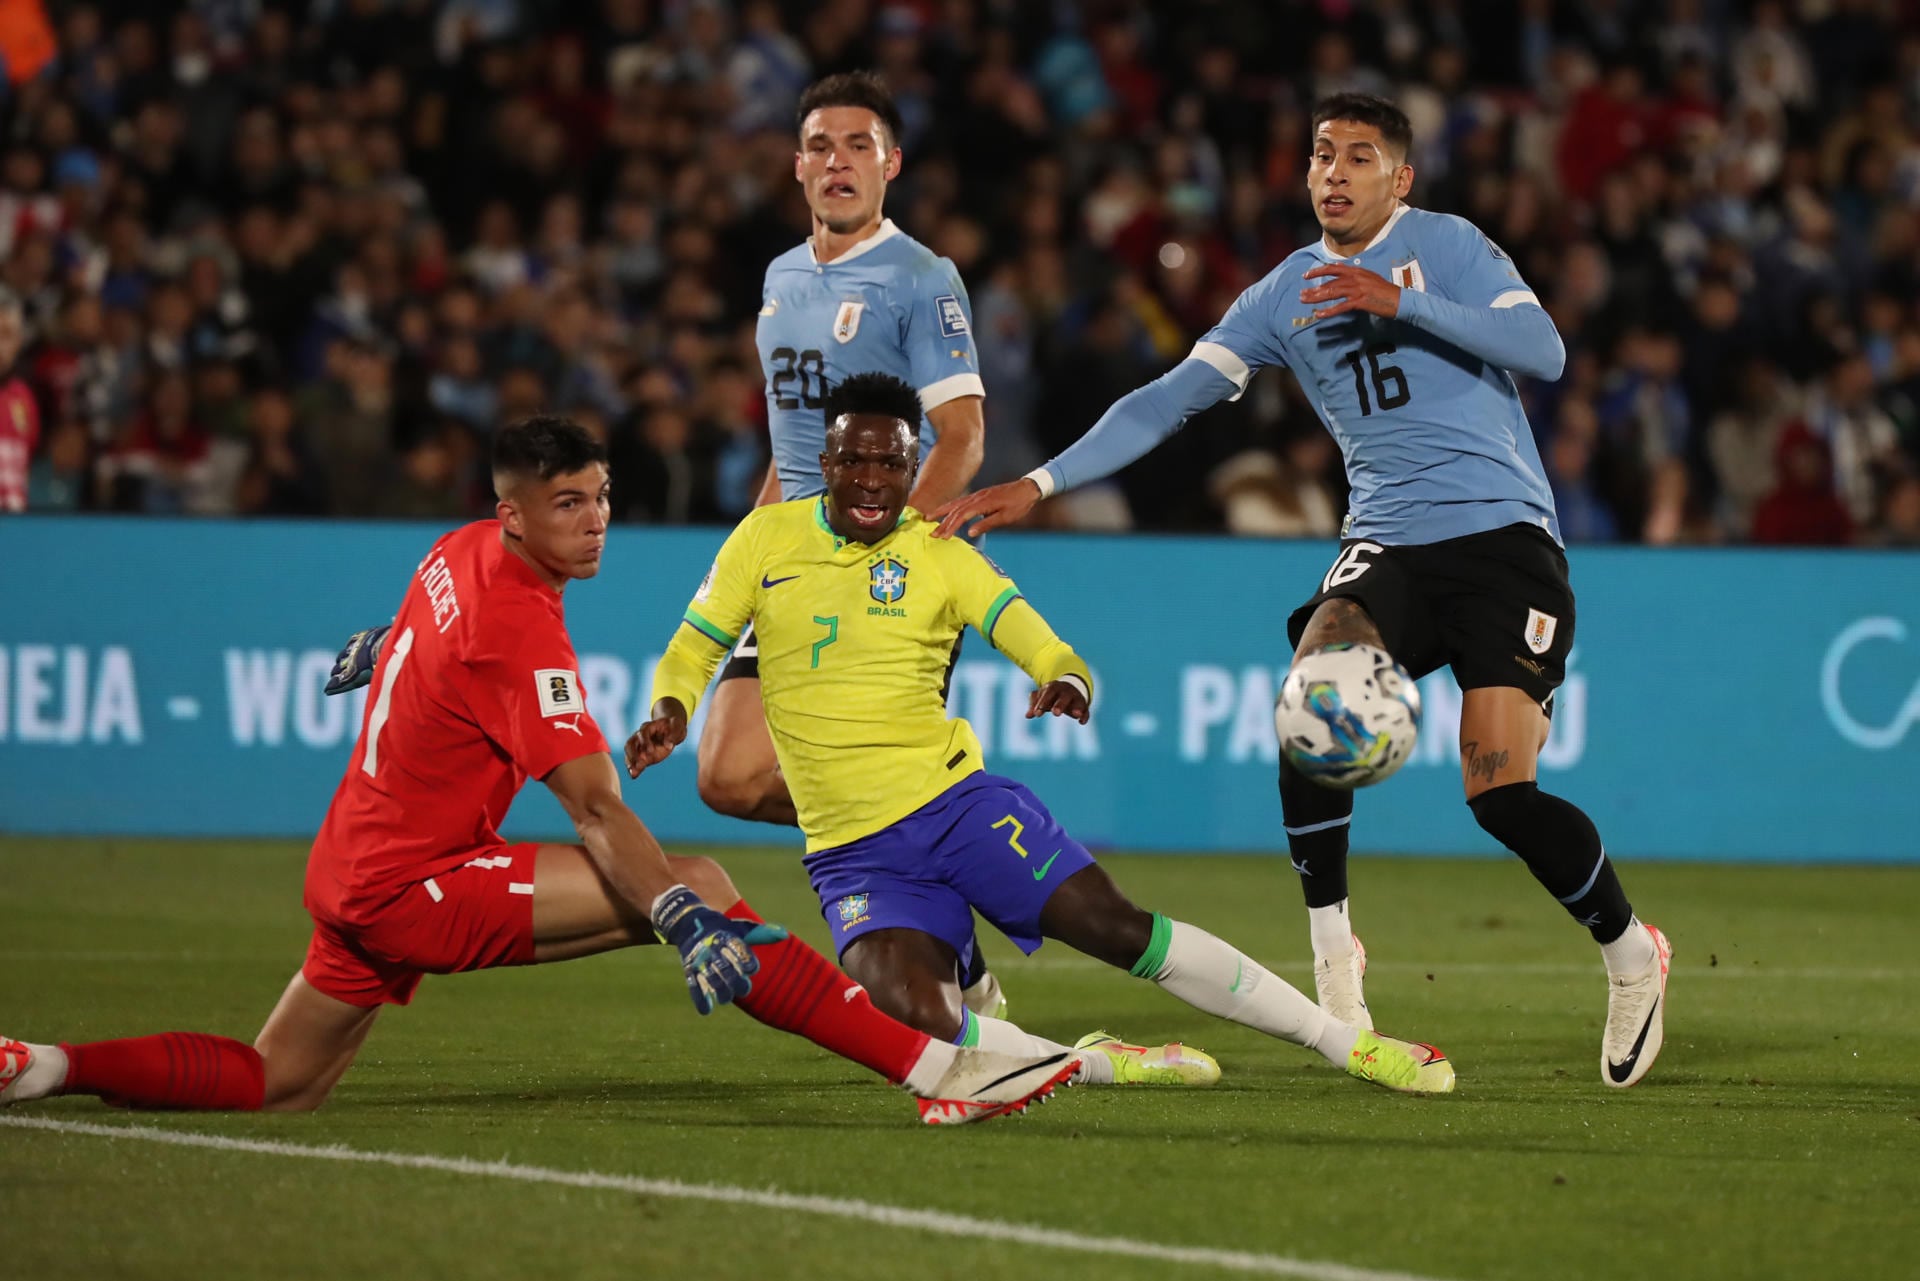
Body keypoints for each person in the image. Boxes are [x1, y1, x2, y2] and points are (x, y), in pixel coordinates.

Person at [0, 417, 1074, 1126]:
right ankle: (942, 1072)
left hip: (353, 868)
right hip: (413, 886)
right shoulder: (520, 631)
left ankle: (44, 1064)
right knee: (694, 883)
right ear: (516, 512)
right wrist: (680, 919)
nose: (595, 518)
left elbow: (429, 623)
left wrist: (388, 648)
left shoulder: (458, 548)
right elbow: (598, 806)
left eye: (601, 496)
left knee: (277, 1083)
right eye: (570, 504)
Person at [932, 94, 1671, 1089]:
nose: (1334, 172)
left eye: (1359, 156)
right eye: (1322, 153)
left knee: (1500, 792)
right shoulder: (1282, 293)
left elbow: (1546, 352)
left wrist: (1397, 299)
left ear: (1398, 178)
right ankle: (1335, 954)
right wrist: (1038, 482)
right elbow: (1169, 400)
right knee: (1311, 692)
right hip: (1389, 545)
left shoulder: (1448, 247)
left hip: (1505, 544)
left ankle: (1632, 954)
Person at [626, 373, 1456, 1095]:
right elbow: (698, 642)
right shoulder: (763, 540)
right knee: (917, 1018)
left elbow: (1040, 640)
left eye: (891, 462)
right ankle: (1096, 1060)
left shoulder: (940, 552)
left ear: (914, 466)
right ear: (826, 465)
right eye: (855, 462)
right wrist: (671, 704)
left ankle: (1346, 1043)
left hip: (957, 808)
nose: (873, 480)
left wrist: (1065, 677)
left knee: (1120, 931)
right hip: (852, 850)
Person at [702, 71, 1010, 1021]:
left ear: (892, 164)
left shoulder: (922, 278)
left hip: (885, 573)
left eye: (859, 146)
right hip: (792, 562)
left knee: (787, 774)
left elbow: (960, 436)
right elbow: (791, 446)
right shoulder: (781, 279)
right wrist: (752, 554)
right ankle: (945, 859)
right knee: (725, 775)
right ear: (797, 167)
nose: (840, 162)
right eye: (822, 147)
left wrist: (890, 554)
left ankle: (947, 914)